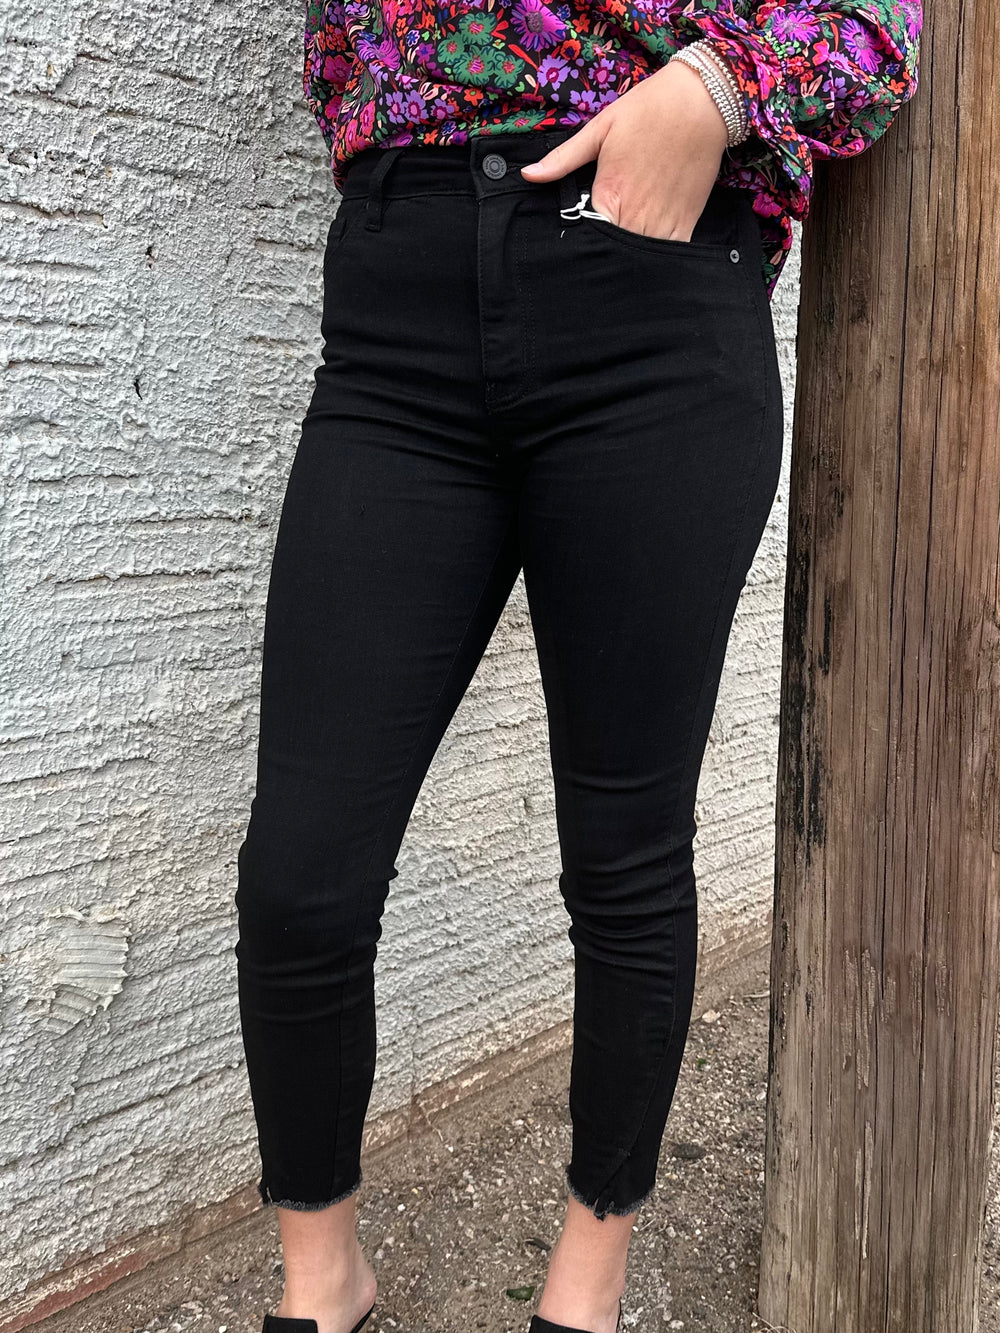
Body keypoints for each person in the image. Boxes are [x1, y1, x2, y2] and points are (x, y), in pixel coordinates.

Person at [234, 0, 921, 1327]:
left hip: (653, 306)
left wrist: (713, 91)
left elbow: (878, 27)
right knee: (301, 873)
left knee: (624, 854)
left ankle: (585, 1285)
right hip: (399, 306)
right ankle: (323, 1283)